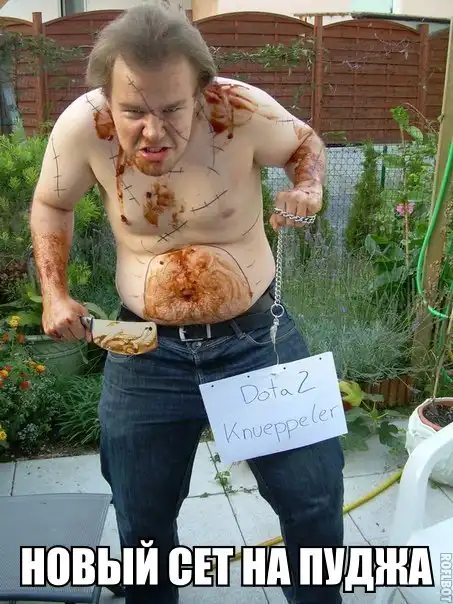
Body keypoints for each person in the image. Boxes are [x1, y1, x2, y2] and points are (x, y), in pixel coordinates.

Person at [29, 3, 344, 603]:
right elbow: (52, 202)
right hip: (141, 346)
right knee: (142, 517)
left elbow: (303, 142)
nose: (153, 132)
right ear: (107, 97)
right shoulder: (82, 125)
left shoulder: (241, 111)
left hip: (257, 340)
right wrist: (55, 292)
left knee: (314, 500)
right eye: (133, 111)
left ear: (201, 91)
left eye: (172, 109)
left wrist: (308, 185)